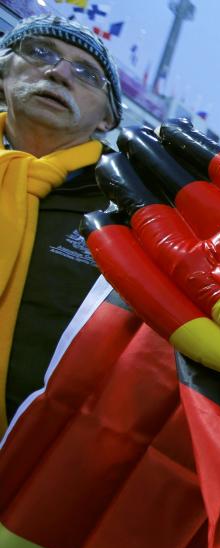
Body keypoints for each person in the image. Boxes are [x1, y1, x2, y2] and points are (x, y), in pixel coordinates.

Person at [0, 14, 122, 430]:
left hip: (22, 453)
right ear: (3, 74)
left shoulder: (124, 214)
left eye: (87, 73)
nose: (59, 72)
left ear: (107, 120)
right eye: (40, 53)